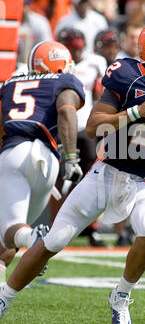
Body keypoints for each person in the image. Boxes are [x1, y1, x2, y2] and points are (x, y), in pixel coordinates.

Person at [0, 19, 145, 324]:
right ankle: (4, 298)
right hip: (106, 172)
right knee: (54, 240)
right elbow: (93, 126)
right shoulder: (127, 76)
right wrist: (138, 111)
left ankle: (121, 296)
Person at [0, 40, 85, 285]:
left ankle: (36, 242)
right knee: (13, 234)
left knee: (13, 231)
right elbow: (67, 111)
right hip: (48, 161)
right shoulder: (63, 81)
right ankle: (35, 245)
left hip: (15, 154)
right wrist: (71, 158)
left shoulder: (9, 84)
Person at [50, 28, 107, 246]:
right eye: (72, 48)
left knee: (93, 178)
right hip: (61, 129)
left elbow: (100, 94)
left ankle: (91, 228)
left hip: (86, 128)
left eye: (79, 48)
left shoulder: (95, 63)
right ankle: (55, 226)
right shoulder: (55, 63)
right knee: (57, 179)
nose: (77, 53)